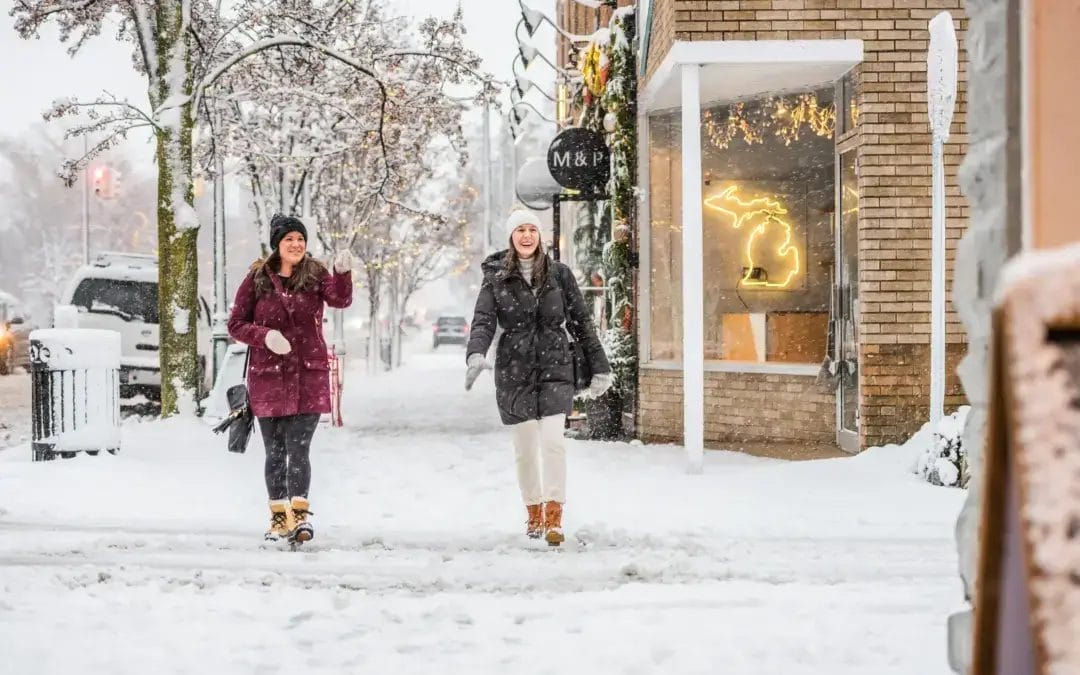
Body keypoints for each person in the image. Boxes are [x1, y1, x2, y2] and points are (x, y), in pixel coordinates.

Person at [465, 208, 612, 546]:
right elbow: (484, 319)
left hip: (555, 366)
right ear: (511, 237)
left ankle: (554, 515)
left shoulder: (559, 275)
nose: (527, 235)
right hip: (514, 369)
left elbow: (581, 323)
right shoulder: (496, 277)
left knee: (553, 443)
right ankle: (533, 510)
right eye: (521, 230)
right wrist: (476, 352)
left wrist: (599, 366)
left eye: (532, 229)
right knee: (526, 449)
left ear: (540, 236)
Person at [228, 214, 353, 543]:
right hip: (268, 377)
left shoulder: (315, 274)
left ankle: (299, 519)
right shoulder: (257, 278)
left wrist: (341, 274)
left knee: (299, 450)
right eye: (289, 240)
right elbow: (236, 324)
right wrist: (265, 336)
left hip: (307, 376)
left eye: (300, 238)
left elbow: (340, 299)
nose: (296, 244)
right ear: (277, 245)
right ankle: (278, 519)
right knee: (275, 451)